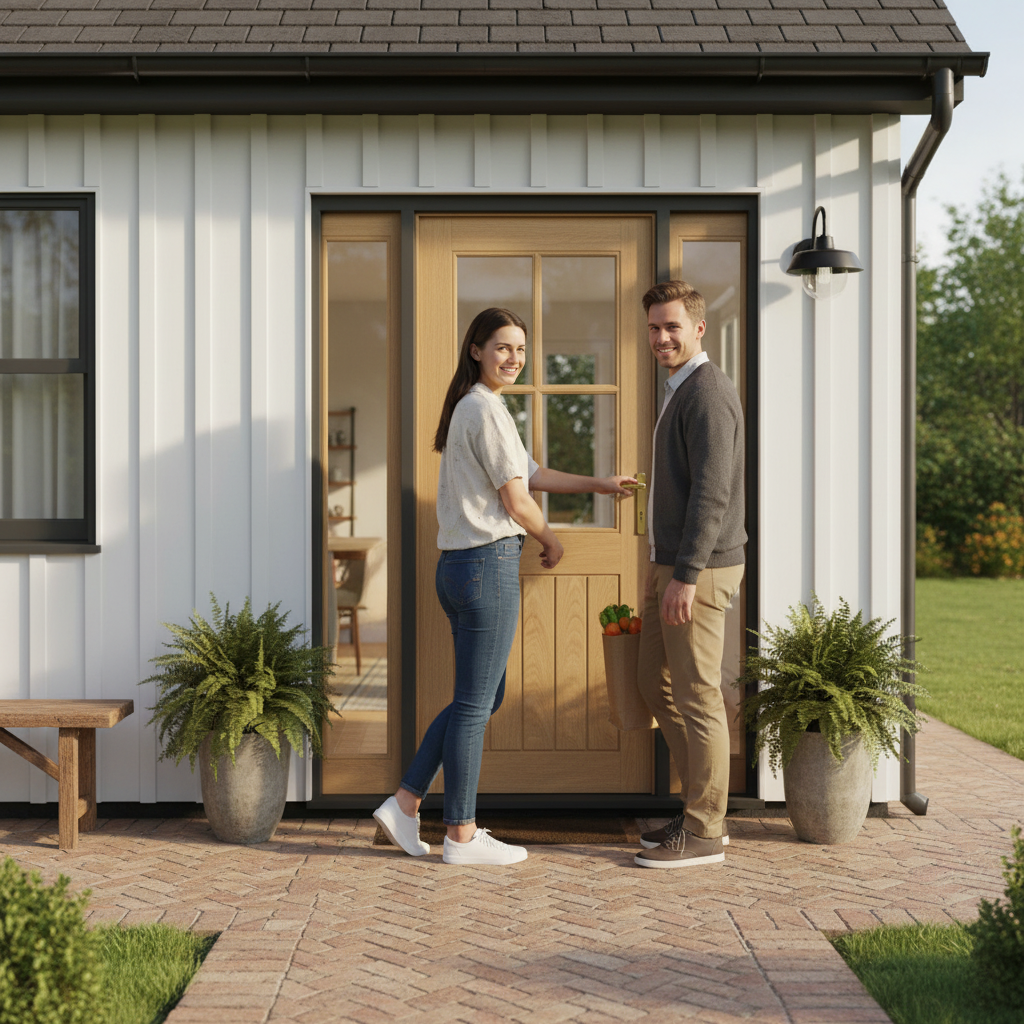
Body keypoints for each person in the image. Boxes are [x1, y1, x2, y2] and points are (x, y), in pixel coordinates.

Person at [374, 307, 636, 867]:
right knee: (475, 704)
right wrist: (552, 538)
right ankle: (461, 835)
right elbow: (518, 501)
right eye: (502, 347)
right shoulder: (483, 409)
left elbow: (531, 474)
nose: (514, 358)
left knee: (481, 697)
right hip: (486, 564)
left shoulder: (481, 409)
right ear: (477, 350)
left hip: (461, 567)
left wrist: (600, 484)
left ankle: (405, 802)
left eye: (520, 349)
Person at [633, 280, 746, 870]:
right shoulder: (680, 390)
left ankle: (706, 830)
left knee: (699, 695)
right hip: (670, 567)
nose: (661, 337)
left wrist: (686, 574)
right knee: (654, 683)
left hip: (696, 572)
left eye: (672, 326)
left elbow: (712, 494)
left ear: (698, 328)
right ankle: (699, 802)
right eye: (654, 327)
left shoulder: (707, 392)